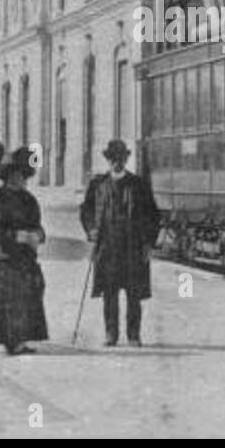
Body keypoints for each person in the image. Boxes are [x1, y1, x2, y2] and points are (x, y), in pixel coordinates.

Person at [80, 139, 160, 347]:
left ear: (126, 159)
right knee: (110, 293)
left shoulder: (139, 184)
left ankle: (133, 335)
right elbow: (86, 211)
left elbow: (153, 215)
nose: (117, 162)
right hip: (107, 247)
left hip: (132, 247)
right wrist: (91, 230)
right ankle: (111, 333)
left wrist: (149, 244)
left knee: (134, 293)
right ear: (108, 160)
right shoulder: (98, 184)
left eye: (121, 158)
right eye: (113, 159)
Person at [0, 147, 48, 355]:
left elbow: (37, 224)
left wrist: (38, 235)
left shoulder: (28, 199)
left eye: (24, 175)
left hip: (25, 255)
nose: (23, 179)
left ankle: (20, 339)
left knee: (28, 294)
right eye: (19, 175)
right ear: (10, 176)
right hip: (8, 255)